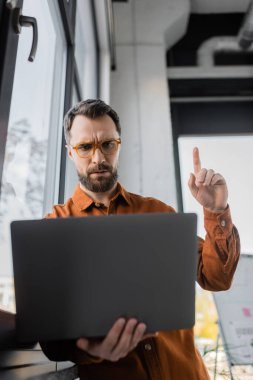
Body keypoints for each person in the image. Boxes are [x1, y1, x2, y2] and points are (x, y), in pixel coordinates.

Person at [40, 99, 240, 380]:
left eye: (108, 144)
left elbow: (217, 278)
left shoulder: (158, 212)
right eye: (85, 147)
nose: (98, 158)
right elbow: (50, 337)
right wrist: (91, 348)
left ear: (118, 145)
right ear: (71, 153)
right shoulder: (55, 228)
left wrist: (216, 209)